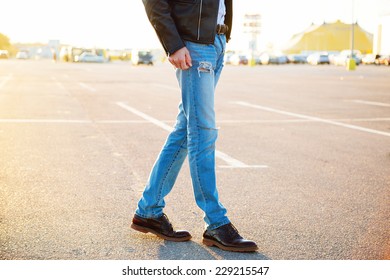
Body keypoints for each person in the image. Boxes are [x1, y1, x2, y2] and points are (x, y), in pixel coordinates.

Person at [131, 0, 258, 252]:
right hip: (194, 44)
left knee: (185, 132)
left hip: (216, 41)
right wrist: (174, 44)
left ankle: (148, 211)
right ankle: (216, 222)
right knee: (203, 133)